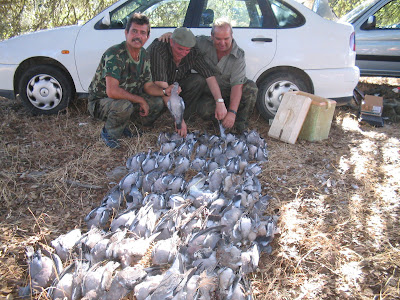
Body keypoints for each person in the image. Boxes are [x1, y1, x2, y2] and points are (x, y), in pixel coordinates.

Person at [88, 13, 175, 148]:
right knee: (124, 106)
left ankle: (130, 126)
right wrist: (140, 100)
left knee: (157, 102)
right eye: (134, 31)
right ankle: (109, 133)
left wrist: (165, 91)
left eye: (142, 33)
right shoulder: (115, 54)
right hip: (101, 102)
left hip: (126, 100)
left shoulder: (144, 55)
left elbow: (148, 85)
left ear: (147, 37)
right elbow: (112, 92)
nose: (138, 36)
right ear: (126, 33)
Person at [159, 19, 258, 134]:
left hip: (229, 90)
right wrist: (172, 35)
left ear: (231, 36)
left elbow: (237, 86)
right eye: (218, 39)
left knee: (251, 88)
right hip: (211, 93)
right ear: (211, 36)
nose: (222, 43)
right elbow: (184, 40)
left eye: (226, 38)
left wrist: (232, 112)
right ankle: (219, 123)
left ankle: (240, 127)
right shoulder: (202, 43)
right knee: (204, 110)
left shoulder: (238, 55)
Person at [148, 27, 227, 137]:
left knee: (198, 80)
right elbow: (162, 86)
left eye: (187, 50)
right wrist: (178, 119)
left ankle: (186, 117)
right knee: (157, 101)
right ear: (171, 42)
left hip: (176, 85)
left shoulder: (192, 52)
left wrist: (219, 101)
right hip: (157, 88)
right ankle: (147, 125)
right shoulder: (159, 49)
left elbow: (209, 75)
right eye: (180, 49)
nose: (184, 53)